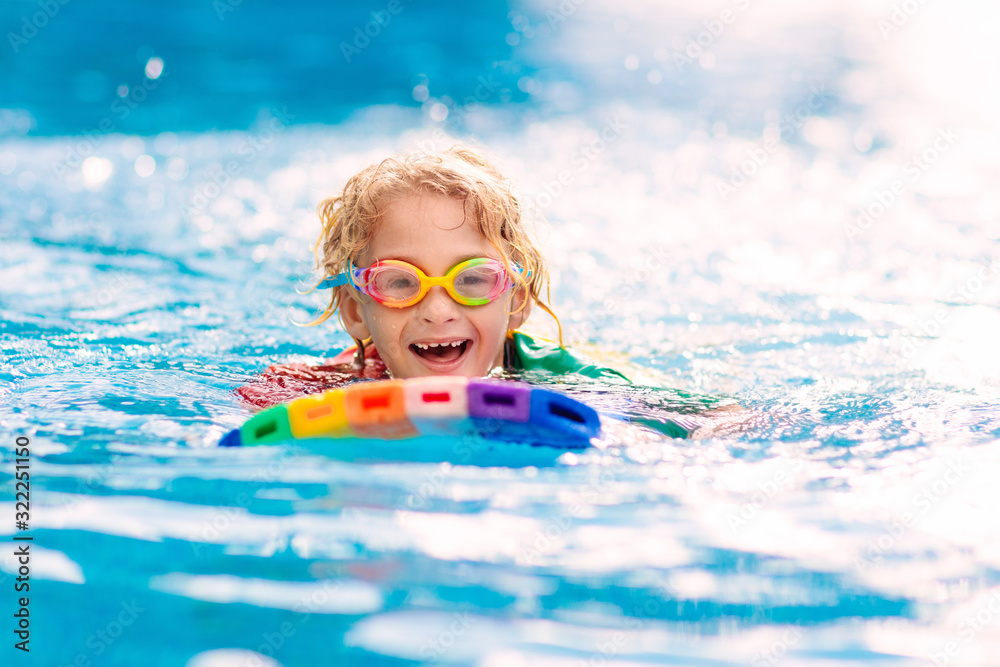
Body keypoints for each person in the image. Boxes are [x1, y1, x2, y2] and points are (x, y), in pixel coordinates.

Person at [236, 145, 750, 438]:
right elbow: (243, 432)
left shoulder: (568, 381)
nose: (438, 310)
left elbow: (723, 421)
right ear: (355, 309)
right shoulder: (323, 387)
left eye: (473, 281)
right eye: (400, 283)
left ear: (517, 302)